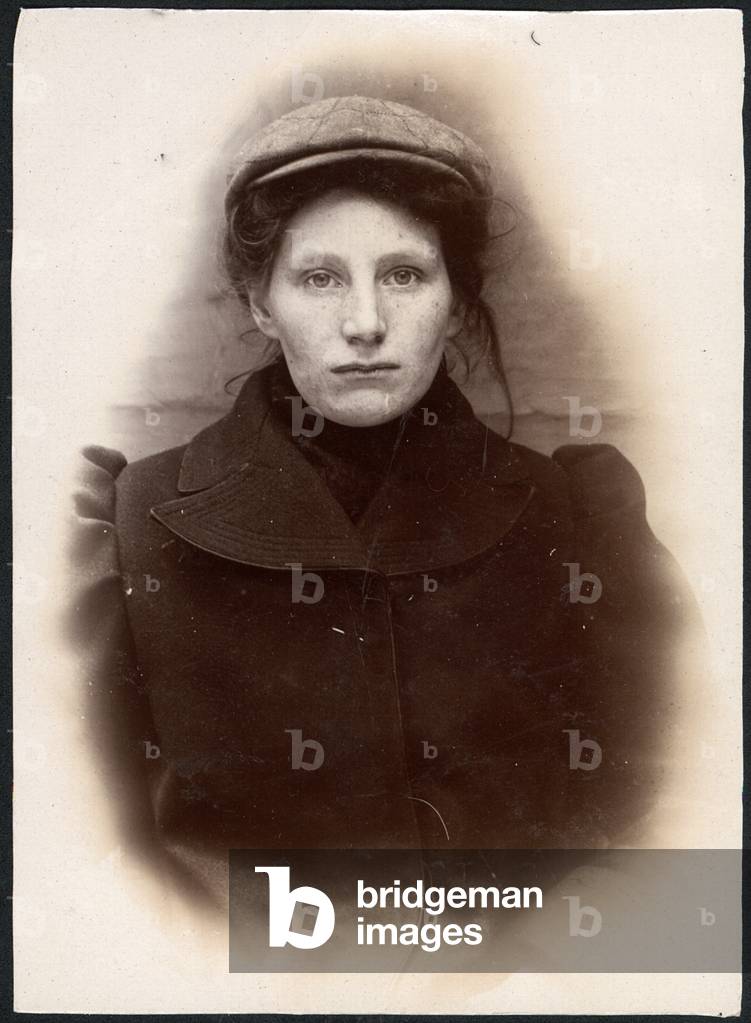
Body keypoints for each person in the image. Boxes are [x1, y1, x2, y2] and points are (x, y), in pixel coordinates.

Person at [69, 96, 700, 904]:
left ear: (453, 296)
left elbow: (674, 827)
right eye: (318, 277)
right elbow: (82, 864)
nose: (364, 322)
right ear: (261, 302)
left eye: (404, 274)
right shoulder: (126, 523)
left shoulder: (574, 516)